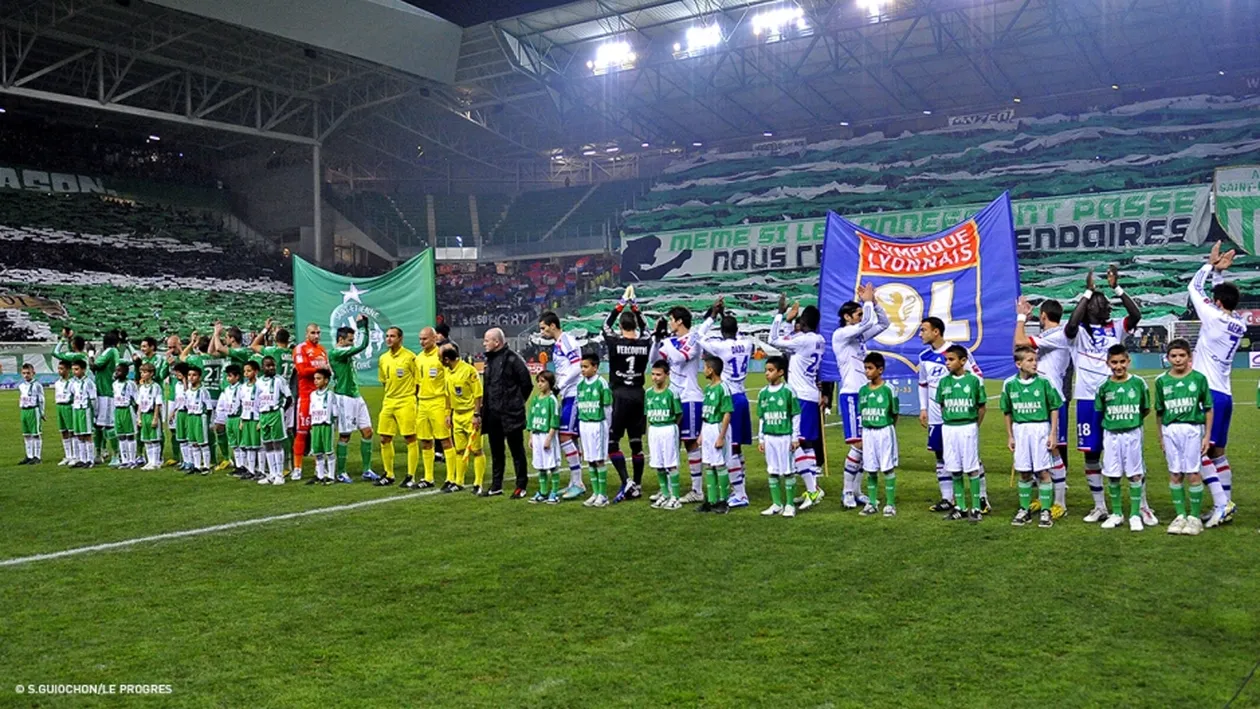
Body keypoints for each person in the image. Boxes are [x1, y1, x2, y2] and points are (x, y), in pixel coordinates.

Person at [1064, 267, 1152, 525]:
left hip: (1118, 397)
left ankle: (1143, 505)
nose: (1105, 305)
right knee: (1091, 454)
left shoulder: (1116, 328)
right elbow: (1070, 324)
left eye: (1106, 301)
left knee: (1132, 454)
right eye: (1098, 301)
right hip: (1088, 400)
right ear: (1089, 306)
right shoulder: (1078, 332)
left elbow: (1136, 314)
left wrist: (1117, 288)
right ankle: (1100, 506)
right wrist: (1087, 291)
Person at [1189, 243, 1245, 527]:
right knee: (1217, 453)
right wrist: (1220, 278)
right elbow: (1218, 301)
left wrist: (1210, 265)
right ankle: (1225, 505)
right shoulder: (1238, 323)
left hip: (1207, 393)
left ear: (1218, 303)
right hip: (1226, 394)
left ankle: (1222, 504)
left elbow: (1193, 288)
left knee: (1197, 453)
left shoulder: (1211, 317)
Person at [830, 283, 891, 510]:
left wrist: (873, 302)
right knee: (858, 445)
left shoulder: (858, 336)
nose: (860, 317)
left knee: (867, 445)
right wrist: (866, 301)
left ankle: (856, 490)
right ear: (847, 317)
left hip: (866, 395)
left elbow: (884, 323)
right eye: (856, 314)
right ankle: (847, 491)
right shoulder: (841, 334)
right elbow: (867, 322)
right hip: (851, 395)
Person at [918, 317, 987, 514]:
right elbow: (922, 384)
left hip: (960, 413)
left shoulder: (958, 352)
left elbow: (976, 376)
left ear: (936, 331)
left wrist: (970, 403)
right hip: (936, 414)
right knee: (941, 455)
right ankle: (948, 498)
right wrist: (923, 408)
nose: (920, 334)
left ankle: (981, 498)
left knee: (971, 456)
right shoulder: (924, 356)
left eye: (924, 330)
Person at [770, 294, 831, 510]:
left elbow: (774, 340)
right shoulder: (819, 340)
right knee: (807, 444)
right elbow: (790, 345)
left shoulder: (804, 340)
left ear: (803, 323)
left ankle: (812, 489)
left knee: (798, 443)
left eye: (799, 322)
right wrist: (789, 323)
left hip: (802, 397)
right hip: (809, 394)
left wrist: (780, 315)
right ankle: (812, 488)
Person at [1014, 297, 1071, 518]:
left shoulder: (1057, 335)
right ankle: (1044, 497)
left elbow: (1020, 342)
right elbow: (1018, 351)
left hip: (1053, 398)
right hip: (1038, 398)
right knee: (1039, 452)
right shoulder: (1046, 337)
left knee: (1053, 450)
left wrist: (1020, 317)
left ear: (1044, 316)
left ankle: (1060, 503)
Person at [649, 304, 711, 505]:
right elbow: (654, 361)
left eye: (671, 319)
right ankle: (666, 489)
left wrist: (666, 343)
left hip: (690, 398)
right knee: (670, 443)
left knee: (690, 442)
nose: (669, 323)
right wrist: (657, 340)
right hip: (673, 397)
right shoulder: (670, 341)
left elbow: (679, 358)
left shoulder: (693, 339)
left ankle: (697, 489)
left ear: (679, 321)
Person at [700, 302, 755, 508]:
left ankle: (740, 493)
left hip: (728, 396)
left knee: (729, 449)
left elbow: (699, 336)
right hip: (741, 395)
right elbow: (736, 337)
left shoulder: (720, 346)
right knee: (736, 446)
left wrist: (712, 315)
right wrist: (724, 316)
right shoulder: (747, 344)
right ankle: (739, 486)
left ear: (722, 331)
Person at [1155, 339, 1213, 536]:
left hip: (1192, 429)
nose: (1178, 360)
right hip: (1170, 430)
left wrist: (1207, 436)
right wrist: (1161, 436)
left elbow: (1208, 408)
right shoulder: (1162, 381)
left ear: (1190, 357)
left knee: (1193, 473)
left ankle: (1194, 518)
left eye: (1182, 356)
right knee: (1175, 473)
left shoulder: (1199, 379)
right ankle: (1180, 516)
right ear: (1168, 358)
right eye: (1173, 356)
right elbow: (1159, 412)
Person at [1001, 347, 1063, 529]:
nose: (1034, 363)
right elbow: (1007, 412)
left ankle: (1045, 510)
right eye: (1029, 360)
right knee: (1024, 471)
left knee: (1043, 472)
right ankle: (1024, 509)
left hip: (1040, 429)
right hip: (1020, 430)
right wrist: (1010, 436)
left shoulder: (1044, 382)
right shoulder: (1009, 384)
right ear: (1018, 364)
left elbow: (1054, 407)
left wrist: (1052, 433)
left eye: (1035, 359)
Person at [602, 288, 653, 502]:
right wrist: (637, 308)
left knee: (612, 442)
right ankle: (638, 484)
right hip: (639, 395)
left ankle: (626, 480)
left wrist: (620, 304)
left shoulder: (615, 342)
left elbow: (605, 326)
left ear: (621, 326)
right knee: (636, 443)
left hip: (620, 395)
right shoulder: (645, 341)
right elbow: (647, 329)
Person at [1094, 344, 1150, 531]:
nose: (1119, 366)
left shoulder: (1139, 383)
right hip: (1111, 435)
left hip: (1133, 434)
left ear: (1128, 361)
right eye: (1114, 362)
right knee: (1113, 475)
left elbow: (1145, 409)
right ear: (1108, 363)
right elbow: (1100, 410)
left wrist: (1131, 421)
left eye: (1122, 362)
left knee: (1135, 474)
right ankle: (1116, 513)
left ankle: (1135, 515)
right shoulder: (1103, 386)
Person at [936, 345, 986, 523]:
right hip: (949, 428)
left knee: (971, 468)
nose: (947, 363)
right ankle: (960, 507)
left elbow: (981, 407)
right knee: (954, 468)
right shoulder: (943, 382)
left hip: (967, 427)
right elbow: (941, 404)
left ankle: (976, 508)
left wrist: (974, 426)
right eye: (946, 360)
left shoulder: (973, 381)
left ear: (963, 361)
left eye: (951, 359)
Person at [481, 328, 533, 498]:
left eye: (487, 340)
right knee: (496, 452)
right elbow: (487, 388)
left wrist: (516, 403)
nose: (484, 343)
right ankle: (497, 485)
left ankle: (521, 485)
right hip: (493, 415)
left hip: (511, 414)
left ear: (497, 342)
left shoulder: (513, 359)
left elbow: (526, 384)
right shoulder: (489, 361)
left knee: (516, 451)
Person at [538, 311, 585, 499]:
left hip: (574, 394)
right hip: (568, 394)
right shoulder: (559, 343)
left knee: (565, 436)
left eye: (543, 328)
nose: (542, 332)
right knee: (571, 438)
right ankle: (575, 481)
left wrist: (559, 385)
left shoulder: (566, 340)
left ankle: (578, 482)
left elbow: (577, 365)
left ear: (553, 325)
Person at [330, 317, 374, 481]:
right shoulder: (336, 352)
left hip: (356, 395)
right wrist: (363, 326)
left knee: (368, 432)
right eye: (349, 340)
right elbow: (362, 346)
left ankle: (367, 470)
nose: (352, 343)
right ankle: (341, 472)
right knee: (345, 435)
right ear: (340, 339)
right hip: (344, 397)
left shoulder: (344, 352)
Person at [374, 327, 419, 487]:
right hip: (389, 401)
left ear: (400, 338)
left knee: (410, 438)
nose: (388, 339)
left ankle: (411, 475)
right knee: (384, 438)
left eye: (392, 336)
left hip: (406, 401)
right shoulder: (383, 358)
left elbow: (418, 381)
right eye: (387, 336)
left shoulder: (410, 357)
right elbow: (384, 380)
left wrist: (412, 397)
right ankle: (389, 474)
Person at [757, 356, 801, 518]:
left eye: (770, 370)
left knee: (788, 471)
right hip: (769, 437)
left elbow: (795, 415)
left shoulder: (788, 391)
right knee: (772, 470)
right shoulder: (763, 393)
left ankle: (789, 505)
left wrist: (795, 437)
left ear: (780, 372)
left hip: (785, 437)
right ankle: (776, 504)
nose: (767, 374)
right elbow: (762, 417)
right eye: (766, 370)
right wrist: (761, 439)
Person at [858, 353, 899, 518]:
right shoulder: (863, 390)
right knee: (870, 468)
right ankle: (872, 503)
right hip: (868, 433)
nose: (867, 372)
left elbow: (895, 412)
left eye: (870, 368)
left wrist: (888, 428)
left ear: (880, 370)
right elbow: (862, 412)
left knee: (887, 468)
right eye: (865, 368)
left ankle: (890, 504)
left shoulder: (889, 389)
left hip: (884, 431)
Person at [414, 326, 454, 489]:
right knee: (425, 441)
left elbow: (449, 383)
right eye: (420, 339)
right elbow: (417, 383)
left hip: (438, 402)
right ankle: (428, 478)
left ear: (434, 338)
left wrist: (447, 410)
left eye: (425, 339)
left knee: (445, 440)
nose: (422, 342)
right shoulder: (418, 358)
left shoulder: (441, 356)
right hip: (422, 403)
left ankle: (451, 477)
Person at [441, 344, 483, 493]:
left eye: (440, 358)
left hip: (470, 414)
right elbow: (447, 395)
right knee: (459, 450)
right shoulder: (447, 371)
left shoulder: (469, 371)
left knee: (477, 450)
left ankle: (478, 483)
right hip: (456, 415)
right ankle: (459, 482)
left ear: (446, 359)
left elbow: (478, 394)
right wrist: (448, 414)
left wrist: (476, 415)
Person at [293, 323, 330, 480]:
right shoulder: (300, 348)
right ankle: (297, 467)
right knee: (302, 432)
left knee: (319, 431)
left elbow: (328, 372)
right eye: (313, 333)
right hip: (307, 396)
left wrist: (323, 370)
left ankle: (319, 466)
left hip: (321, 396)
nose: (316, 335)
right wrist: (321, 369)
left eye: (318, 333)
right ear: (306, 334)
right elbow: (302, 371)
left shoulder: (322, 350)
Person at [577, 352, 614, 508]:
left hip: (598, 424)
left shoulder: (601, 383)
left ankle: (603, 495)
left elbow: (607, 408)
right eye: (581, 367)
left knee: (599, 459)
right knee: (590, 459)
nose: (583, 370)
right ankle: (595, 492)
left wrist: (607, 425)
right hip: (584, 424)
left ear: (595, 367)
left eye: (586, 367)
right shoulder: (580, 384)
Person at [645, 360, 683, 510]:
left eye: (658, 375)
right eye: (653, 374)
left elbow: (679, 414)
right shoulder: (648, 393)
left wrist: (672, 427)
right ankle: (665, 494)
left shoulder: (672, 392)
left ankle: (675, 497)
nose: (655, 377)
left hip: (668, 428)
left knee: (671, 464)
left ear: (667, 375)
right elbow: (647, 413)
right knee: (658, 464)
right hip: (654, 429)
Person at [697, 356, 733, 515]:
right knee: (708, 465)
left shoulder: (723, 388)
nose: (703, 370)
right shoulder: (707, 388)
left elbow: (727, 413)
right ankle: (711, 500)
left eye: (705, 367)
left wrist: (721, 436)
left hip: (718, 428)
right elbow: (705, 414)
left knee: (719, 464)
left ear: (711, 370)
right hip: (707, 428)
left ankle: (723, 501)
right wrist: (701, 433)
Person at [256, 355, 293, 486]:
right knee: (267, 443)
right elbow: (257, 400)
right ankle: (271, 474)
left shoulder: (279, 380)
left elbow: (289, 398)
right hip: (263, 414)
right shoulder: (259, 381)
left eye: (273, 365)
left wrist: (281, 410)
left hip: (275, 412)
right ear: (262, 367)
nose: (271, 368)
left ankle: (279, 474)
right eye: (268, 365)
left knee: (277, 443)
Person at [527, 371, 562, 504]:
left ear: (550, 383)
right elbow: (531, 419)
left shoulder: (552, 400)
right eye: (538, 381)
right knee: (540, 466)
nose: (539, 384)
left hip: (547, 436)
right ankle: (542, 492)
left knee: (552, 465)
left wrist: (549, 438)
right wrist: (531, 437)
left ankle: (554, 492)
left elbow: (554, 420)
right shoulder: (536, 399)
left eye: (543, 381)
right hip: (536, 436)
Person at [88, 330, 122, 465]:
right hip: (101, 392)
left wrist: (90, 353)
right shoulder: (108, 353)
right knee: (97, 425)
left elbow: (93, 365)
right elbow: (95, 369)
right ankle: (98, 453)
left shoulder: (110, 351)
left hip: (107, 394)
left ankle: (116, 456)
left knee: (109, 425)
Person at [306, 368, 338, 486]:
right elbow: (311, 411)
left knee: (328, 451)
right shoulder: (313, 395)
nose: (315, 381)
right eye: (314, 378)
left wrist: (334, 424)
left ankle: (330, 475)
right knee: (317, 452)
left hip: (326, 425)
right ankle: (320, 476)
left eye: (318, 378)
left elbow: (335, 412)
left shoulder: (330, 394)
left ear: (326, 381)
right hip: (316, 425)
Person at [183, 365, 213, 475]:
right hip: (190, 417)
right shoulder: (187, 392)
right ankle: (196, 466)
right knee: (193, 443)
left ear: (199, 377)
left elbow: (209, 408)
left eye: (194, 375)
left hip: (200, 417)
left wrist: (208, 422)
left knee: (203, 443)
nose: (191, 377)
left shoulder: (203, 391)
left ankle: (206, 466)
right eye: (189, 375)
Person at [136, 363, 165, 471]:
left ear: (151, 373)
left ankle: (156, 461)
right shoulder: (142, 387)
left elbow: (158, 403)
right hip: (143, 414)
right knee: (146, 440)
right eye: (141, 372)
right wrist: (138, 417)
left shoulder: (156, 387)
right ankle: (149, 461)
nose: (142, 374)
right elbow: (139, 403)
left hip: (151, 413)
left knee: (154, 439)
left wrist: (155, 418)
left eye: (145, 372)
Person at [68, 359, 97, 468]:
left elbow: (93, 398)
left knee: (87, 435)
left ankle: (90, 460)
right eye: (73, 370)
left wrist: (95, 412)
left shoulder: (89, 383)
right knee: (79, 435)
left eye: (77, 369)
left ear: (84, 370)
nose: (74, 372)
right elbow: (71, 395)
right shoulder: (73, 382)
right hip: (76, 410)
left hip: (85, 410)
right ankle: (82, 459)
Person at [237, 361, 262, 480]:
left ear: (256, 372)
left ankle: (261, 470)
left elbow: (263, 404)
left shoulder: (260, 386)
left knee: (259, 446)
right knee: (249, 446)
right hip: (246, 419)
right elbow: (242, 404)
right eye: (245, 371)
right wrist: (241, 420)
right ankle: (251, 470)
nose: (246, 374)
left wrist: (261, 420)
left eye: (249, 371)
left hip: (256, 419)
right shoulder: (242, 387)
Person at [112, 363, 139, 469]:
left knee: (130, 435)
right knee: (121, 436)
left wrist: (138, 415)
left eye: (119, 371)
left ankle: (132, 460)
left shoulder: (130, 384)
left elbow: (137, 399)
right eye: (116, 371)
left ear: (126, 372)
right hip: (117, 410)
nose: (117, 373)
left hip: (127, 410)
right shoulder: (114, 384)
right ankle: (124, 460)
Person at [17, 362, 44, 465]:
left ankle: (37, 456)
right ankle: (29, 456)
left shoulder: (37, 385)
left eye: (28, 373)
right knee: (26, 434)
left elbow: (41, 399)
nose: (26, 375)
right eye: (24, 373)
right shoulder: (21, 386)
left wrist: (42, 412)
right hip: (24, 411)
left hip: (34, 410)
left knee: (36, 434)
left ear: (33, 373)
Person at [220, 365, 244, 474]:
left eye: (230, 376)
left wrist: (242, 419)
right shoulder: (226, 389)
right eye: (227, 376)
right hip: (229, 418)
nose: (228, 378)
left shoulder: (241, 388)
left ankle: (244, 466)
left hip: (237, 417)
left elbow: (243, 403)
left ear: (237, 377)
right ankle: (238, 466)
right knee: (234, 444)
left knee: (240, 444)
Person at [169, 362, 191, 472]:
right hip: (180, 412)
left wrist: (185, 382)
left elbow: (189, 396)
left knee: (189, 438)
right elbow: (178, 399)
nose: (177, 375)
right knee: (181, 438)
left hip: (189, 413)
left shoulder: (191, 384)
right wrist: (173, 411)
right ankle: (185, 461)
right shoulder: (177, 385)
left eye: (179, 373)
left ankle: (191, 462)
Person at [53, 360, 74, 466]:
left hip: (68, 407)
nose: (59, 371)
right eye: (59, 368)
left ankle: (75, 456)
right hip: (59, 407)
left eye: (62, 369)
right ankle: (68, 455)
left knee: (72, 432)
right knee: (63, 432)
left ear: (68, 370)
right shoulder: (57, 383)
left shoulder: (72, 383)